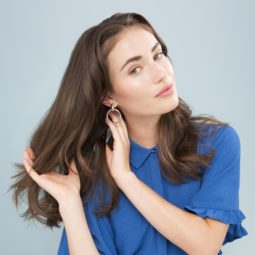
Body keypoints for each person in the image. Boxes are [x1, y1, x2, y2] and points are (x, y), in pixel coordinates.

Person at [10, 12, 248, 255]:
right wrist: (70, 204)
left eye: (158, 55)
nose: (161, 74)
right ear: (108, 96)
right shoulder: (93, 173)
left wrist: (126, 179)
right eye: (135, 69)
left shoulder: (216, 142)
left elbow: (205, 245)